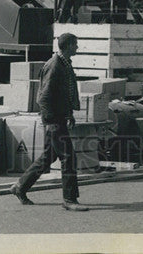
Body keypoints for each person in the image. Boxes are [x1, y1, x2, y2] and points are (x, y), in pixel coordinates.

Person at [11, 33, 87, 210]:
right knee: (69, 157)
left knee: (49, 156)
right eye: (75, 45)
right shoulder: (55, 66)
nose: (77, 47)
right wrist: (52, 120)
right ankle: (69, 200)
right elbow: (44, 97)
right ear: (67, 46)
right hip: (53, 119)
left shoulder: (64, 63)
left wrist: (69, 114)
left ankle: (20, 187)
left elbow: (63, 94)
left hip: (58, 117)